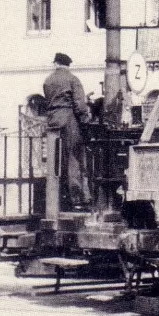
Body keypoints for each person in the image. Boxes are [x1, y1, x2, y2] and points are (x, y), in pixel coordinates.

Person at [43, 52, 92, 210]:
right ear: (67, 65)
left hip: (52, 120)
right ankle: (76, 199)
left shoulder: (48, 80)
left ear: (56, 63)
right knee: (73, 158)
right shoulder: (73, 79)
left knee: (55, 160)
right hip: (69, 120)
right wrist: (86, 121)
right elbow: (79, 104)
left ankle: (56, 198)